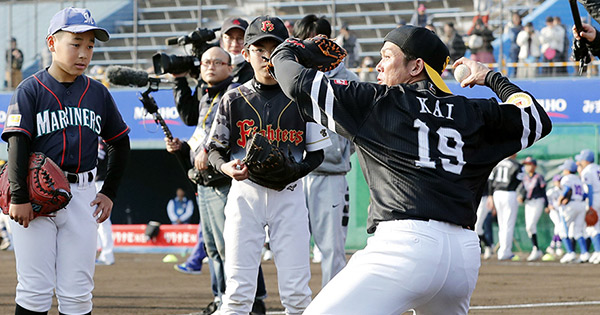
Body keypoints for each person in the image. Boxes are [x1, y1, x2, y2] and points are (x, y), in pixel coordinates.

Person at [271, 24, 552, 314]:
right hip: (463, 258)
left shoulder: (378, 101)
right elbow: (536, 118)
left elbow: (293, 81)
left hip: (404, 246)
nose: (379, 65)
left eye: (387, 56)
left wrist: (290, 48)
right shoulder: (474, 112)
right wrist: (491, 77)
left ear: (416, 66)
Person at [2, 7, 130, 315]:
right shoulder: (30, 89)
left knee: (77, 293)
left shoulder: (97, 92)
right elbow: (17, 143)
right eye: (75, 43)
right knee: (34, 290)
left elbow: (120, 142)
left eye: (90, 45)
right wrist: (18, 197)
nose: (84, 52)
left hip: (83, 195)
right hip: (33, 199)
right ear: (51, 44)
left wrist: (109, 191)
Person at [206, 16, 331, 314]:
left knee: (298, 294)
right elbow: (214, 150)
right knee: (236, 293)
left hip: (288, 196)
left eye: (274, 48)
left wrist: (296, 170)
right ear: (246, 53)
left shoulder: (300, 97)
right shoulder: (233, 98)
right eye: (259, 49)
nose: (266, 56)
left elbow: (316, 153)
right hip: (245, 194)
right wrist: (226, 168)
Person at [166, 45, 271, 314]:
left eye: (217, 62)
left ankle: (254, 300)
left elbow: (236, 134)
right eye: (205, 63)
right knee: (213, 247)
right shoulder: (205, 95)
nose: (210, 66)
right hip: (206, 180)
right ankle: (222, 297)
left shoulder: (237, 93)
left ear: (229, 67)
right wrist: (184, 149)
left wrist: (208, 150)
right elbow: (198, 129)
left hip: (226, 178)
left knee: (234, 244)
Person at [293, 14, 358, 288]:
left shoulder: (348, 79)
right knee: (292, 248)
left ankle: (334, 306)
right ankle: (297, 304)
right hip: (294, 175)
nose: (312, 46)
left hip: (330, 174)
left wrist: (340, 152)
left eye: (318, 39)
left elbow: (359, 128)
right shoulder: (290, 75)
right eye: (305, 40)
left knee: (332, 249)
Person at [489, 153, 523, 261]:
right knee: (508, 224)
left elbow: (490, 180)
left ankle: (502, 251)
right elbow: (519, 180)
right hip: (509, 193)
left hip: (496, 193)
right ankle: (505, 251)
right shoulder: (516, 164)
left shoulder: (497, 163)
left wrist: (490, 195)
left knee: (502, 224)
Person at [557, 160, 590, 263]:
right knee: (578, 230)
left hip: (570, 205)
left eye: (564, 169)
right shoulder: (578, 179)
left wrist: (560, 199)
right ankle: (585, 253)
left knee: (562, 229)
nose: (563, 171)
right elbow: (585, 195)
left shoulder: (566, 178)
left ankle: (570, 252)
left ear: (567, 170)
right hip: (581, 204)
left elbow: (566, 189)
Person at [516, 157, 547, 261]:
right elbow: (524, 191)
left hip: (537, 201)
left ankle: (536, 249)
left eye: (530, 164)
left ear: (534, 166)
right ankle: (536, 250)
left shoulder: (539, 177)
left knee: (531, 225)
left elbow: (543, 192)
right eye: (526, 164)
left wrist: (547, 205)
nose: (528, 167)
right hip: (528, 203)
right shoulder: (524, 178)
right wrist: (521, 197)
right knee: (529, 228)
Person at [575, 149, 600, 264]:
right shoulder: (598, 168)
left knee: (592, 227)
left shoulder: (586, 171)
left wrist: (590, 206)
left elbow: (589, 189)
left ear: (585, 160)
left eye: (581, 159)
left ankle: (598, 251)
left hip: (594, 197)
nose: (580, 162)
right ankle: (597, 251)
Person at [95, 139, 115, 266]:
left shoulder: (104, 141)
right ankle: (99, 251)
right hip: (90, 183)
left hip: (100, 183)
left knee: (103, 220)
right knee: (92, 219)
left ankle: (108, 254)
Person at [474, 176, 494, 259]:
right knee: (475, 227)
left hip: (484, 199)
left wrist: (490, 196)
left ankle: (488, 246)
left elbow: (490, 183)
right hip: (474, 199)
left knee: (477, 226)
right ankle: (486, 246)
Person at [545, 175, 564, 257]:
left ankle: (552, 247)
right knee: (559, 227)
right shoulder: (551, 191)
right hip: (554, 211)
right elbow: (546, 200)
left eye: (560, 181)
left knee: (558, 228)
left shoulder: (563, 190)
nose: (559, 182)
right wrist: (548, 206)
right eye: (557, 181)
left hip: (561, 212)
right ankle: (558, 247)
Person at [504, 12, 523, 77]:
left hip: (522, 49)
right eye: (514, 18)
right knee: (513, 64)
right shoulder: (510, 28)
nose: (516, 20)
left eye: (517, 18)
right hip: (513, 49)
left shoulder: (522, 28)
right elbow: (511, 37)